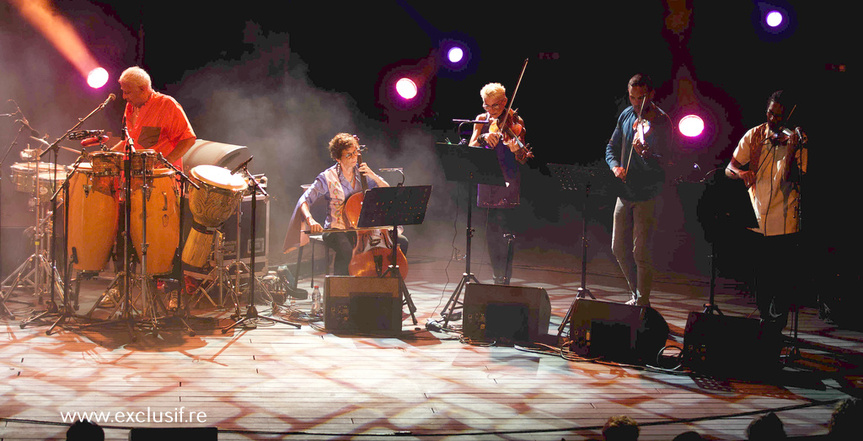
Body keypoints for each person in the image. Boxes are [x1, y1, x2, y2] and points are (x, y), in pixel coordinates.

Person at [725, 90, 807, 336]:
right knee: (760, 276)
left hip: (784, 218)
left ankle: (777, 326)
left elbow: (794, 178)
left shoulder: (797, 140)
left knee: (781, 278)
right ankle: (764, 321)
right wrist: (742, 174)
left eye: (779, 117)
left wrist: (792, 152)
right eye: (771, 114)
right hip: (757, 215)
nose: (773, 120)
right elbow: (730, 167)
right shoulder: (755, 134)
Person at [283, 133, 406, 276]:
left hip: (363, 229)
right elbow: (304, 199)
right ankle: (341, 292)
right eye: (349, 155)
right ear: (337, 158)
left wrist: (373, 175)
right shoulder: (327, 177)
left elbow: (387, 192)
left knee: (401, 242)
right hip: (337, 229)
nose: (354, 157)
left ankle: (384, 286)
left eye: (355, 153)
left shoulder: (362, 172)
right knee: (347, 251)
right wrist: (310, 219)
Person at [604, 74, 670, 307]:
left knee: (641, 252)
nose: (635, 104)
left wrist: (648, 154)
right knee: (617, 248)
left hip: (648, 194)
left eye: (640, 98)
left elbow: (669, 162)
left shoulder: (661, 121)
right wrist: (615, 167)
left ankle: (643, 303)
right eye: (632, 98)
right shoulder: (626, 115)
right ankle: (635, 294)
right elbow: (611, 147)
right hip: (625, 191)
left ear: (651, 95)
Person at [468, 82, 528, 285]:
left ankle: (505, 279)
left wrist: (516, 150)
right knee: (491, 233)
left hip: (507, 180)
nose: (492, 111)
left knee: (506, 233)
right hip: (486, 181)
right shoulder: (481, 119)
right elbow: (472, 146)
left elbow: (523, 158)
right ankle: (496, 277)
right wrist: (484, 137)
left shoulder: (515, 121)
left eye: (496, 106)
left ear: (504, 102)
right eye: (487, 106)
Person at [113, 66, 196, 168]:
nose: (124, 97)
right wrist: (107, 154)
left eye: (128, 92)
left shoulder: (166, 104)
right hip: (133, 178)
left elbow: (188, 139)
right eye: (123, 91)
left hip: (160, 179)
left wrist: (166, 162)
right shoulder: (130, 107)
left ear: (143, 89)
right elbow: (128, 142)